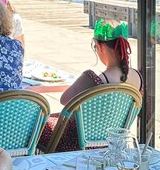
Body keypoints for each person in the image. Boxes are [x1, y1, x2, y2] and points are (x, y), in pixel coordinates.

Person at [37, 19, 143, 153]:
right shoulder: (137, 77)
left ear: (101, 47)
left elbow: (64, 99)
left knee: (38, 124)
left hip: (77, 142)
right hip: (112, 142)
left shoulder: (92, 78)